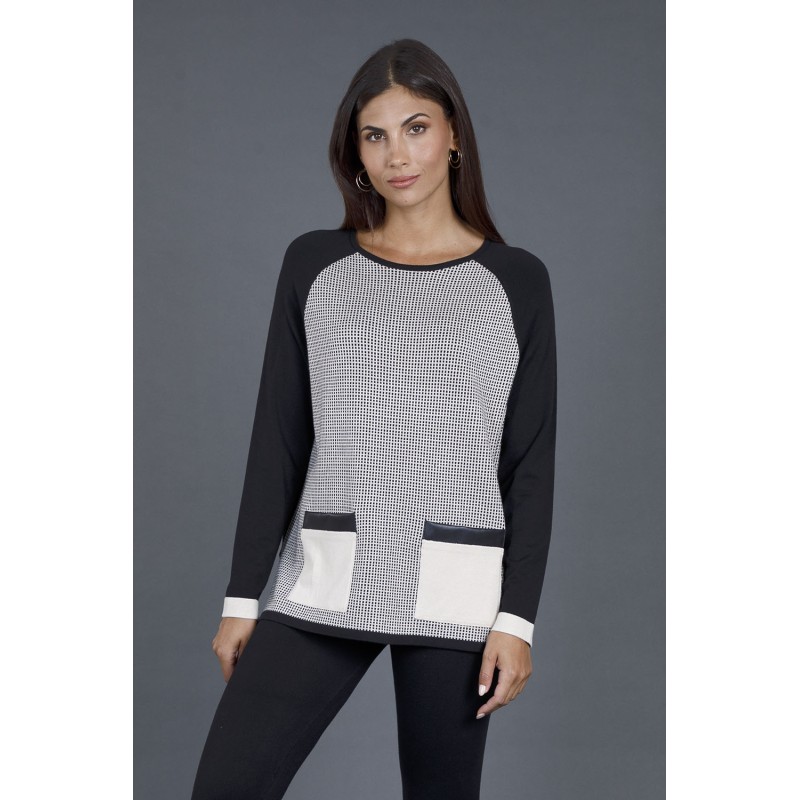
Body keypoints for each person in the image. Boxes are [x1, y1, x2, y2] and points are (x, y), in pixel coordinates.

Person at [191, 37, 558, 800]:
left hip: (458, 584)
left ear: (454, 136)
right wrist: (241, 597)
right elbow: (279, 441)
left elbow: (530, 463)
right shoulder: (316, 265)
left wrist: (517, 620)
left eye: (416, 128)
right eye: (375, 134)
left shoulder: (516, 281)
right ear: (355, 151)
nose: (398, 155)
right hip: (328, 572)